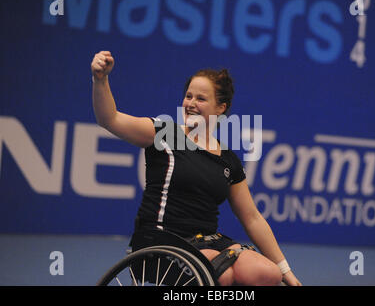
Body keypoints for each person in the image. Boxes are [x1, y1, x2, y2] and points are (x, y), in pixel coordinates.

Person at [91, 50, 302, 286]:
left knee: (267, 274)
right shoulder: (164, 134)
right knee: (226, 276)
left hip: (208, 241)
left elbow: (252, 218)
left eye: (200, 99)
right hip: (162, 243)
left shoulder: (228, 160)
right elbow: (109, 119)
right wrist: (101, 80)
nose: (191, 104)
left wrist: (287, 273)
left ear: (221, 107)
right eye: (188, 96)